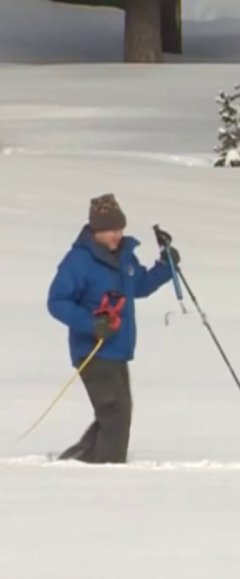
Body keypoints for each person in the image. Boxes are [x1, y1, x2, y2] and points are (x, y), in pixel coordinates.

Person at [47, 193, 179, 464]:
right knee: (115, 413)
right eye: (111, 230)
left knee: (116, 412)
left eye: (120, 229)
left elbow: (139, 285)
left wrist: (166, 267)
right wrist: (91, 323)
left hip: (118, 348)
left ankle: (80, 460)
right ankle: (108, 471)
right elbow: (57, 301)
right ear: (96, 230)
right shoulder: (78, 261)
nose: (117, 235)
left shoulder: (124, 258)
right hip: (92, 349)